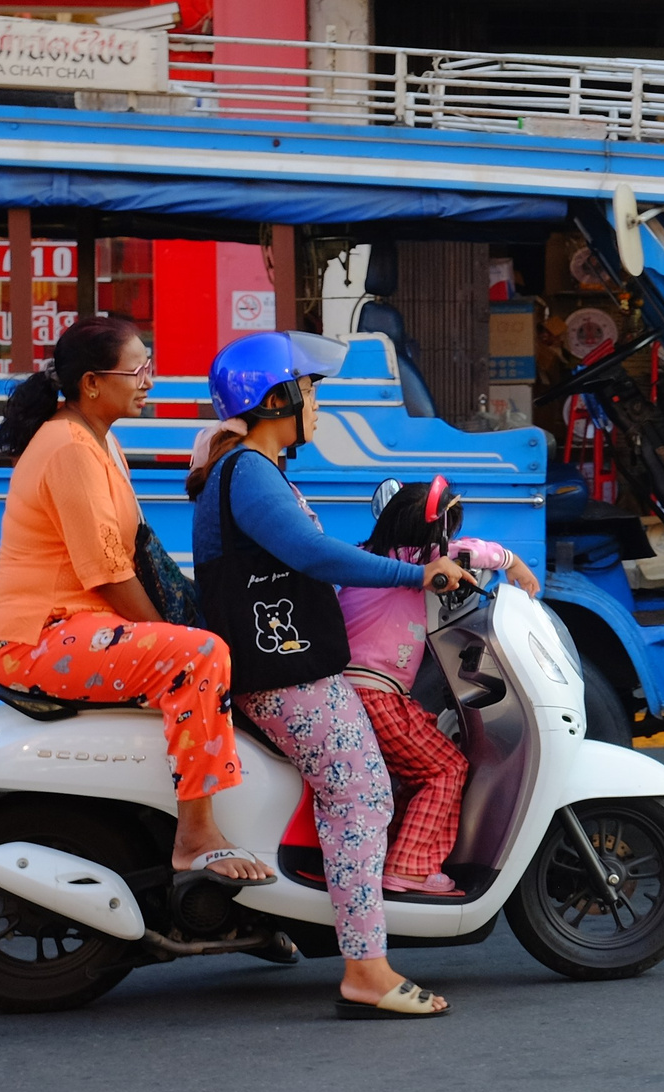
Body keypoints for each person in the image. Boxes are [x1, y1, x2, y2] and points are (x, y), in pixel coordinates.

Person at [190, 331, 475, 1019]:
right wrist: (418, 571)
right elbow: (316, 555)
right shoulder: (250, 471)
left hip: (296, 668)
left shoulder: (254, 471)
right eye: (310, 389)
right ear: (277, 396)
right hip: (284, 675)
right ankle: (366, 968)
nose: (316, 402)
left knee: (361, 789)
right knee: (363, 794)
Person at [0, 318, 272, 885]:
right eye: (138, 370)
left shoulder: (99, 438)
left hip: (74, 626)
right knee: (198, 656)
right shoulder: (69, 447)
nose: (149, 381)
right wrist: (173, 640)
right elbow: (110, 573)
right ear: (92, 382)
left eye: (150, 367)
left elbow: (131, 554)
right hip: (37, 638)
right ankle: (196, 836)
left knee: (203, 644)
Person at [336, 476, 539, 896]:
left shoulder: (368, 556)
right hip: (377, 693)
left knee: (421, 772)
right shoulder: (421, 559)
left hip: (354, 692)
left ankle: (410, 859)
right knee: (447, 769)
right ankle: (408, 868)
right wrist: (514, 563)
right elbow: (472, 552)